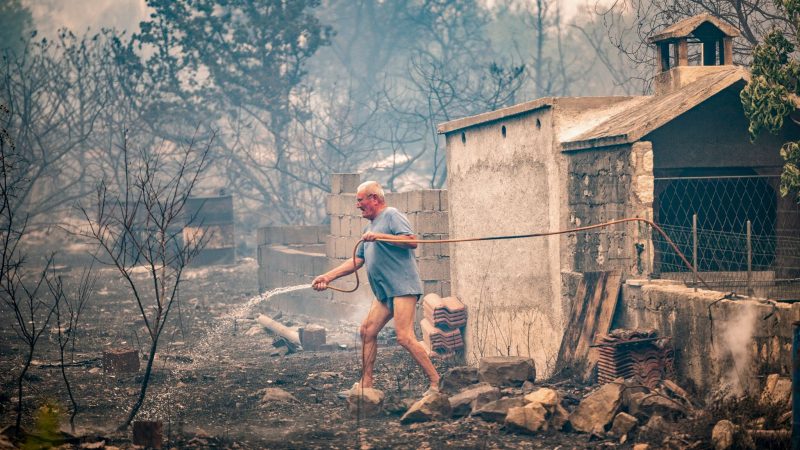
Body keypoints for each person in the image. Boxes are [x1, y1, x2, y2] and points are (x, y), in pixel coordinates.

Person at [312, 181, 440, 396]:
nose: (357, 205)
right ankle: (366, 384)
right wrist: (327, 277)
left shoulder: (391, 215)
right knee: (367, 331)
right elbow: (357, 260)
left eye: (360, 200)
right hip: (384, 293)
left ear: (374, 198)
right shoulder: (369, 227)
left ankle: (436, 382)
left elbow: (411, 241)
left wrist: (381, 236)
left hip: (403, 287)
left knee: (404, 337)